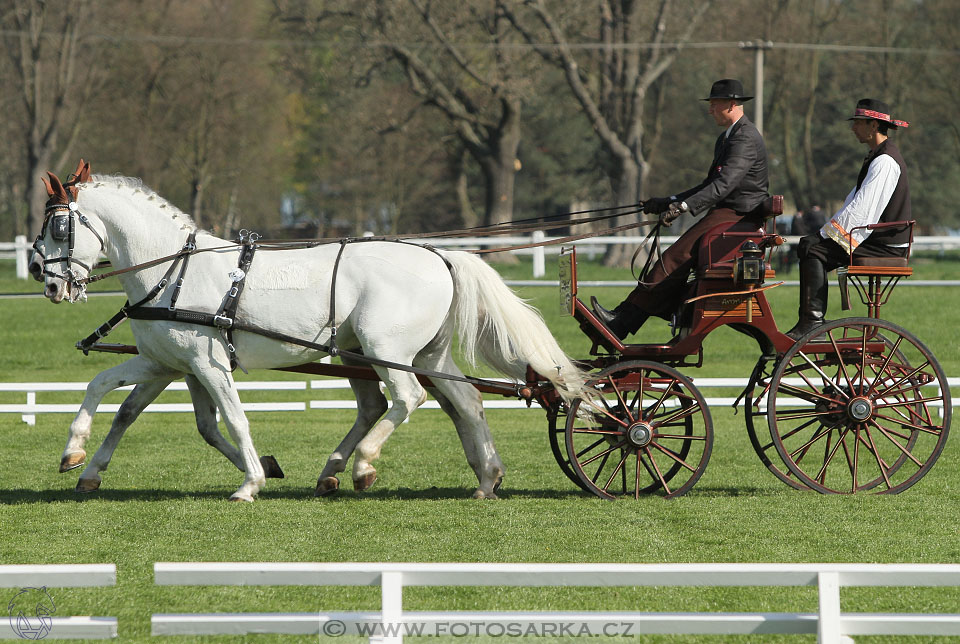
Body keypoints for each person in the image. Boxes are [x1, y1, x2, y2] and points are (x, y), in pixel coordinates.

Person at [592, 78, 770, 339]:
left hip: (737, 217)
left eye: (714, 104)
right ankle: (634, 315)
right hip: (725, 213)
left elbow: (723, 185)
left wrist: (683, 206)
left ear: (732, 104)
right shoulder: (727, 138)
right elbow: (708, 184)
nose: (710, 110)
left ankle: (622, 321)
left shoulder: (745, 138)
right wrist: (668, 200)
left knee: (673, 258)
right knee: (674, 259)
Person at [784, 98, 911, 340]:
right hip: (878, 239)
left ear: (873, 126)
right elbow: (852, 204)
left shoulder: (885, 161)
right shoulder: (877, 157)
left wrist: (821, 236)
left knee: (814, 251)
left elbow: (863, 210)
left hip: (886, 245)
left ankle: (812, 322)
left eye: (858, 123)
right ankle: (811, 320)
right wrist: (821, 233)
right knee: (810, 245)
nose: (853, 128)